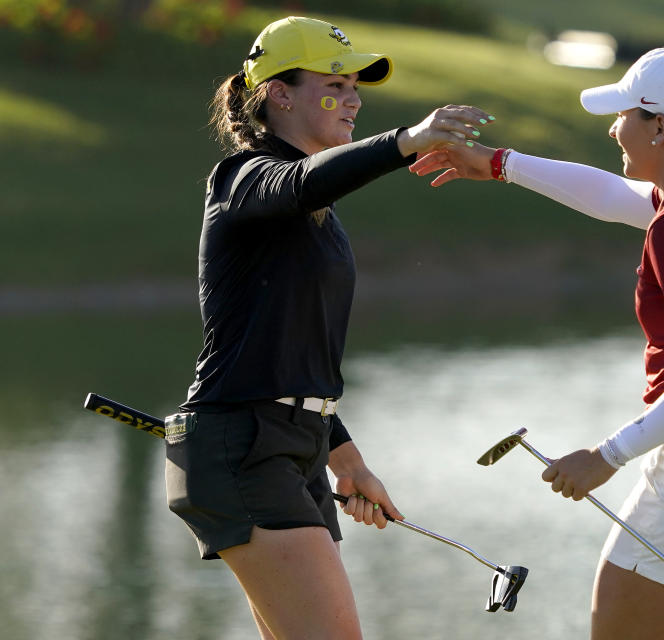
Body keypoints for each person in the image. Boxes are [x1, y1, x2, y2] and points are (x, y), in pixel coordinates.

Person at [411, 48, 664, 640]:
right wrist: (498, 163)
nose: (613, 126)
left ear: (660, 126)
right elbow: (609, 196)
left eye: (624, 112)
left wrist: (605, 458)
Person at [164, 16, 491, 640]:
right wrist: (407, 140)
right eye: (334, 84)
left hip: (297, 449)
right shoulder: (245, 178)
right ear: (279, 94)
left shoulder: (316, 212)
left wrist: (348, 463)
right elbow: (301, 180)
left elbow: (294, 360)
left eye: (355, 87)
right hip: (241, 449)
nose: (353, 99)